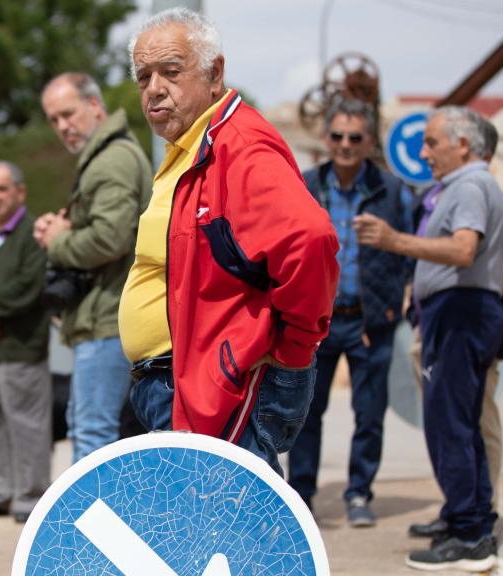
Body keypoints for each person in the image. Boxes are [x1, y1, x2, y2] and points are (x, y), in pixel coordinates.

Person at [120, 7, 339, 475]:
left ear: (214, 73)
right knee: (201, 537)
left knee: (235, 535)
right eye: (144, 76)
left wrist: (292, 352)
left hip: (221, 389)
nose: (154, 87)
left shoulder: (239, 146)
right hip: (177, 385)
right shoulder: (187, 148)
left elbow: (311, 239)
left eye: (171, 72)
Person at [354, 106, 503, 572]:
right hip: (466, 311)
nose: (423, 153)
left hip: (460, 313)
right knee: (457, 421)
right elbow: (496, 267)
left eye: (432, 143)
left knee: (451, 425)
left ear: (463, 145)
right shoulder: (475, 186)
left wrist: (392, 240)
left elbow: (464, 249)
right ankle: (468, 518)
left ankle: (469, 534)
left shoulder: (469, 186)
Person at [406, 115, 503, 543]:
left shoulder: (490, 199)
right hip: (438, 325)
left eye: (433, 144)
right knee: (446, 425)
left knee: (472, 425)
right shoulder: (438, 198)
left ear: (472, 150)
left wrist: (497, 309)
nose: (425, 154)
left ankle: (475, 517)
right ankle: (459, 509)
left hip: (467, 326)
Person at [287, 98, 412, 526]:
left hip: (369, 320)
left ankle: (359, 493)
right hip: (315, 320)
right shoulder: (305, 185)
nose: (344, 144)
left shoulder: (391, 190)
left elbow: (410, 249)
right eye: (337, 136)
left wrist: (396, 303)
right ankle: (300, 495)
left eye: (354, 137)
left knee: (369, 413)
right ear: (326, 139)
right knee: (305, 412)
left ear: (369, 142)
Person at [35, 72, 152, 463]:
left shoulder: (111, 160)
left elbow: (109, 238)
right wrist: (64, 229)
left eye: (68, 114)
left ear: (95, 106)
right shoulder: (107, 155)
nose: (63, 126)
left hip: (108, 320)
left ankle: (88, 525)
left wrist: (58, 241)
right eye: (54, 120)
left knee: (93, 436)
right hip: (104, 317)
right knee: (92, 429)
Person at [0, 161, 52, 524]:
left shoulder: (33, 233)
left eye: (3, 189)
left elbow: (29, 286)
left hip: (20, 343)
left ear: (20, 192)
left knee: (26, 421)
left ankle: (30, 497)